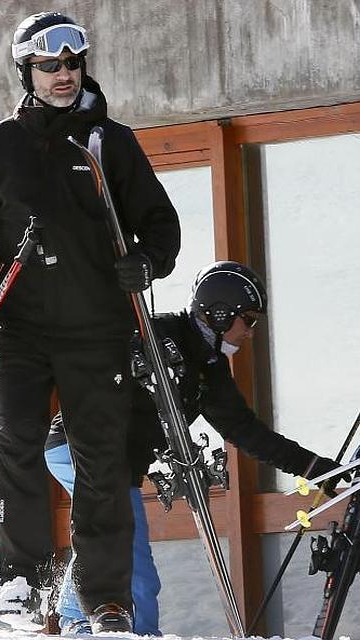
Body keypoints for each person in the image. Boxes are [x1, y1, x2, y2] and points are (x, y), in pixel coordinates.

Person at [0, 11, 181, 635]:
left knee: (102, 463)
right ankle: (22, 580)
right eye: (49, 65)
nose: (63, 75)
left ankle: (106, 601)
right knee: (19, 445)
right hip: (19, 327)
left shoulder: (111, 143)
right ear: (27, 71)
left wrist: (146, 263)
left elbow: (163, 226)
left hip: (97, 328)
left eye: (72, 63)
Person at [44, 260, 344, 635]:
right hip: (82, 448)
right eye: (248, 320)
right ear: (220, 314)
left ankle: (81, 616)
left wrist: (321, 469)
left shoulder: (209, 368)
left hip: (112, 464)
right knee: (131, 558)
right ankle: (93, 624)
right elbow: (95, 352)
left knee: (118, 543)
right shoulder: (158, 335)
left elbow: (247, 432)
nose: (250, 332)